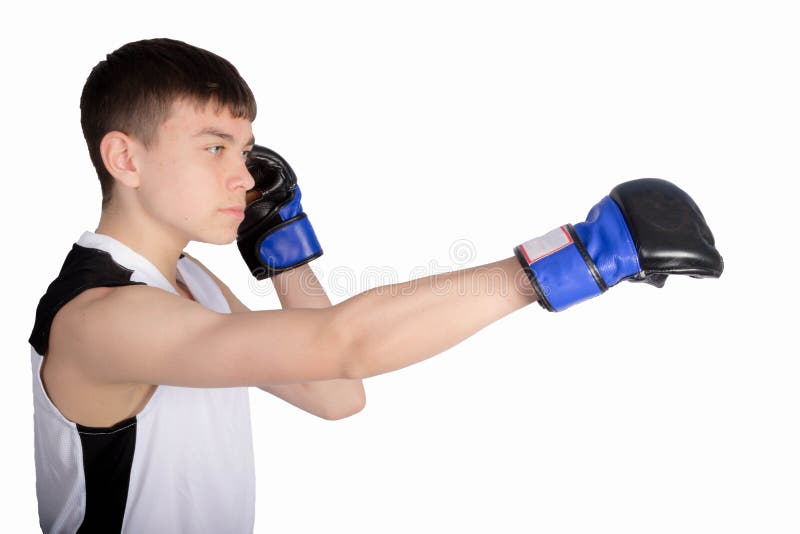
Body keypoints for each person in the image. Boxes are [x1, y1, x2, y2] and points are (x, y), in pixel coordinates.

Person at [28, 37, 724, 533]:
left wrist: (283, 250)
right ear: (124, 157)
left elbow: (334, 394)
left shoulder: (189, 282)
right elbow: (345, 345)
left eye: (244, 152)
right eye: (213, 147)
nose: (243, 176)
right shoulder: (99, 317)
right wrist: (564, 261)